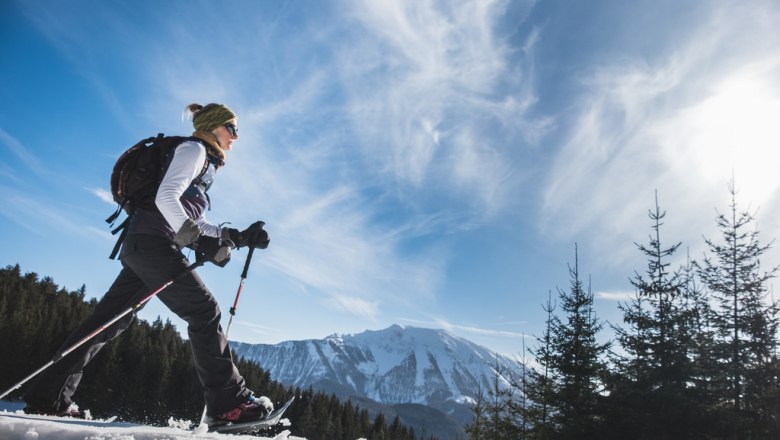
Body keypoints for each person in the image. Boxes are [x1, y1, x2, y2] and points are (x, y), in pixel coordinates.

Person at [23, 103, 273, 426]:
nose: (236, 138)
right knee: (204, 309)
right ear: (213, 127)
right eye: (232, 129)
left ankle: (49, 397)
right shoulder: (194, 150)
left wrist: (236, 236)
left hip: (142, 246)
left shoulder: (203, 164)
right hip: (154, 245)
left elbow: (200, 222)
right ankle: (229, 404)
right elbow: (166, 197)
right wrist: (198, 240)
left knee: (108, 320)